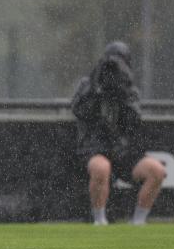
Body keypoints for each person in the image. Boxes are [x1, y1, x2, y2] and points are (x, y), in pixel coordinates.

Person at [71, 41, 166, 225]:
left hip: (123, 151)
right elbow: (79, 111)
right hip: (94, 148)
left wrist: (123, 92)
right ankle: (100, 221)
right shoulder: (89, 84)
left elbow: (134, 122)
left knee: (157, 171)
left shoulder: (129, 89)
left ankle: (138, 222)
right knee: (102, 168)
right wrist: (95, 88)